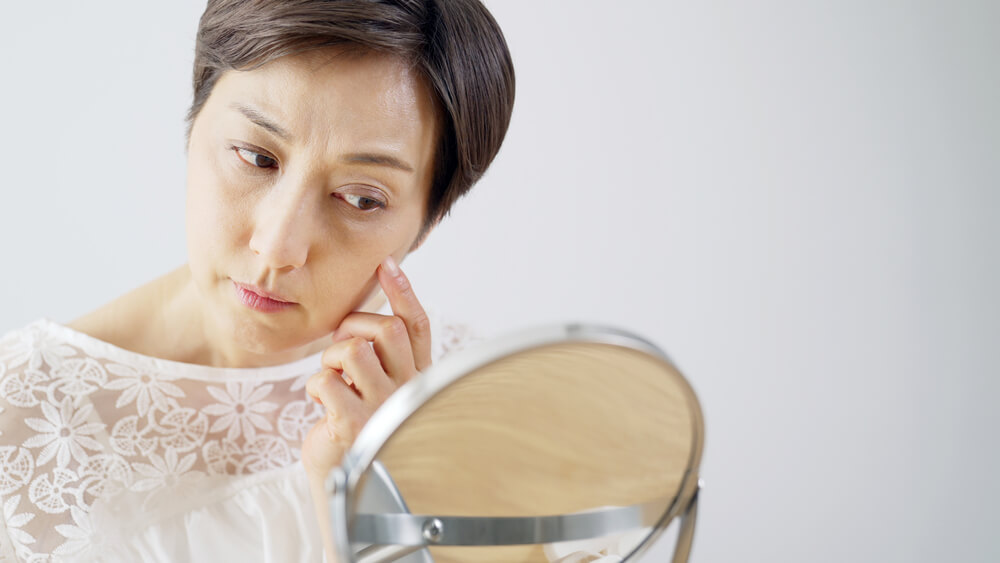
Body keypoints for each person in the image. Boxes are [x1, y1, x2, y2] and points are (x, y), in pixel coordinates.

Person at [0, 0, 514, 560]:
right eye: (256, 157)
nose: (278, 245)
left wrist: (380, 500)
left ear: (428, 223)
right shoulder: (18, 417)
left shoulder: (484, 402)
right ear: (194, 122)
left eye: (361, 198)